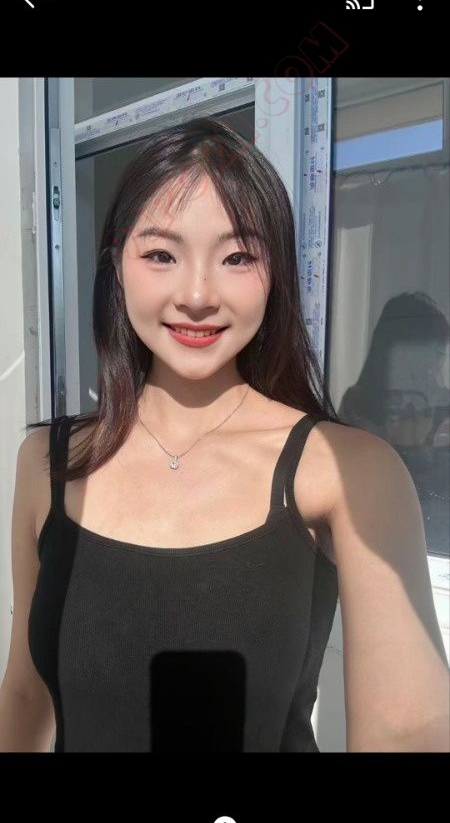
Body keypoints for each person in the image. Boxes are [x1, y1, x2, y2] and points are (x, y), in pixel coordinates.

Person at [1, 117, 448, 752]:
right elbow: (26, 694)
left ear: (277, 272)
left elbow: (408, 733)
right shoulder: (46, 463)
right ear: (116, 266)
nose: (197, 294)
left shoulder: (346, 470)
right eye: (161, 255)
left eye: (237, 257)